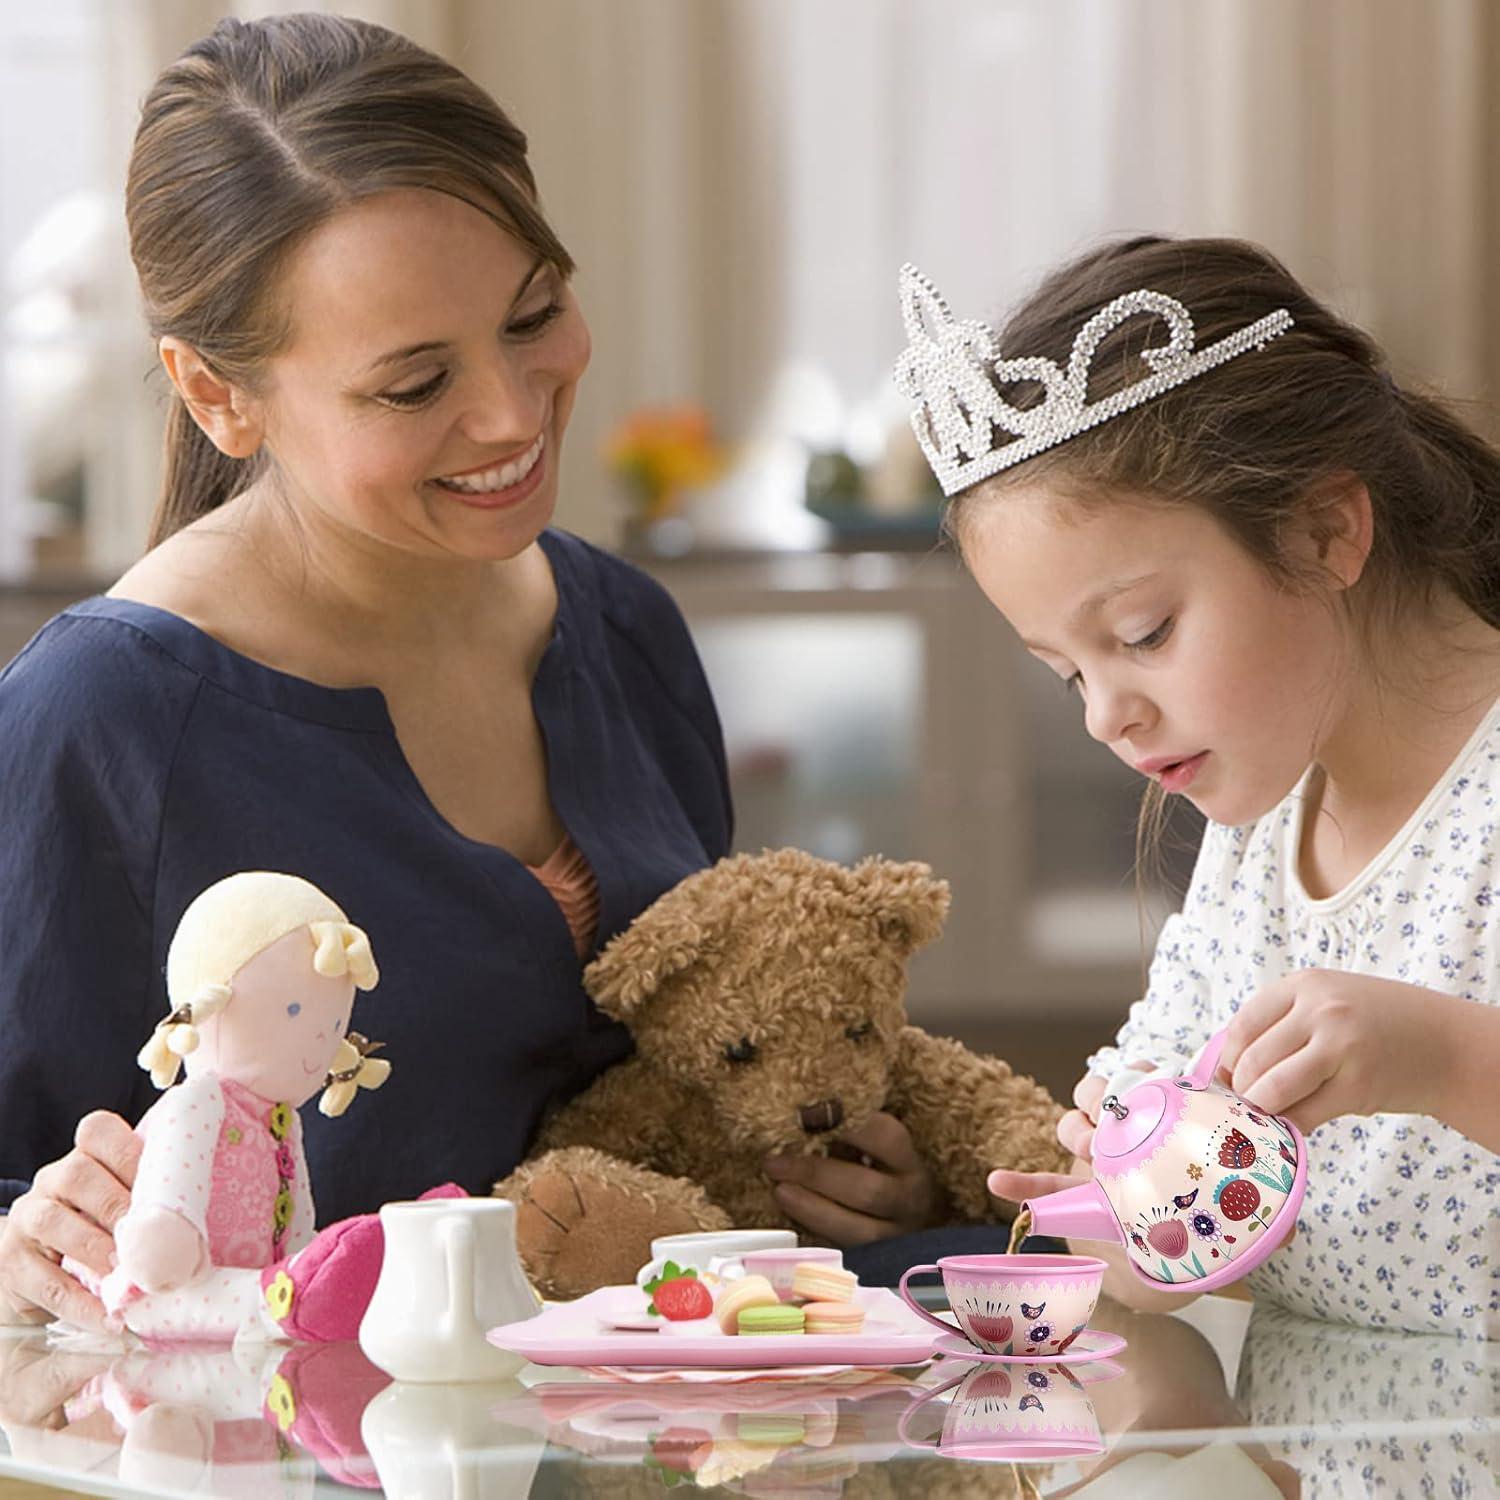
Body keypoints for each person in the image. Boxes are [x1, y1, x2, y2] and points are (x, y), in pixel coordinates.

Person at [0, 12, 941, 1332]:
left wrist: (854, 1182)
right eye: (414, 383)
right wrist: (24, 1238)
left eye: (533, 316)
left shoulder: (623, 633)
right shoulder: (102, 723)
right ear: (218, 396)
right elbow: (29, 1208)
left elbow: (717, 1082)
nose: (510, 413)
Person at [893, 238, 1500, 1337]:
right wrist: (1116, 1193)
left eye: (1144, 633)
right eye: (1068, 672)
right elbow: (1187, 1228)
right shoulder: (1261, 827)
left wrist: (1452, 1057)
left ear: (1327, 529)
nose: (1104, 715)